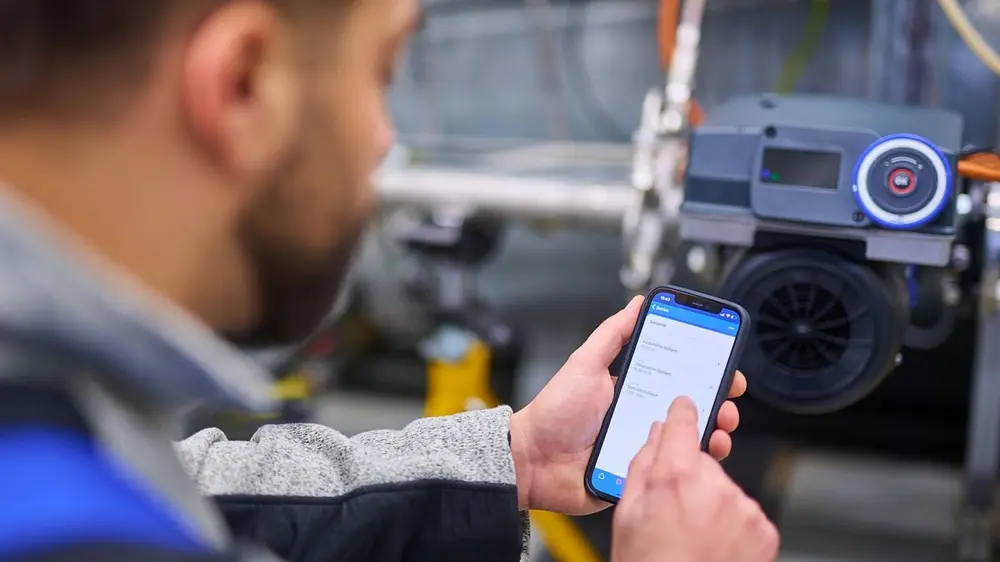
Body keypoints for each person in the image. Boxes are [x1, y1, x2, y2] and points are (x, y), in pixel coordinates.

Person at [0, 1, 778, 562]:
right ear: (242, 84)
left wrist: (516, 458)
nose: (383, 140)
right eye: (382, 74)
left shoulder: (63, 427)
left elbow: (201, 489)